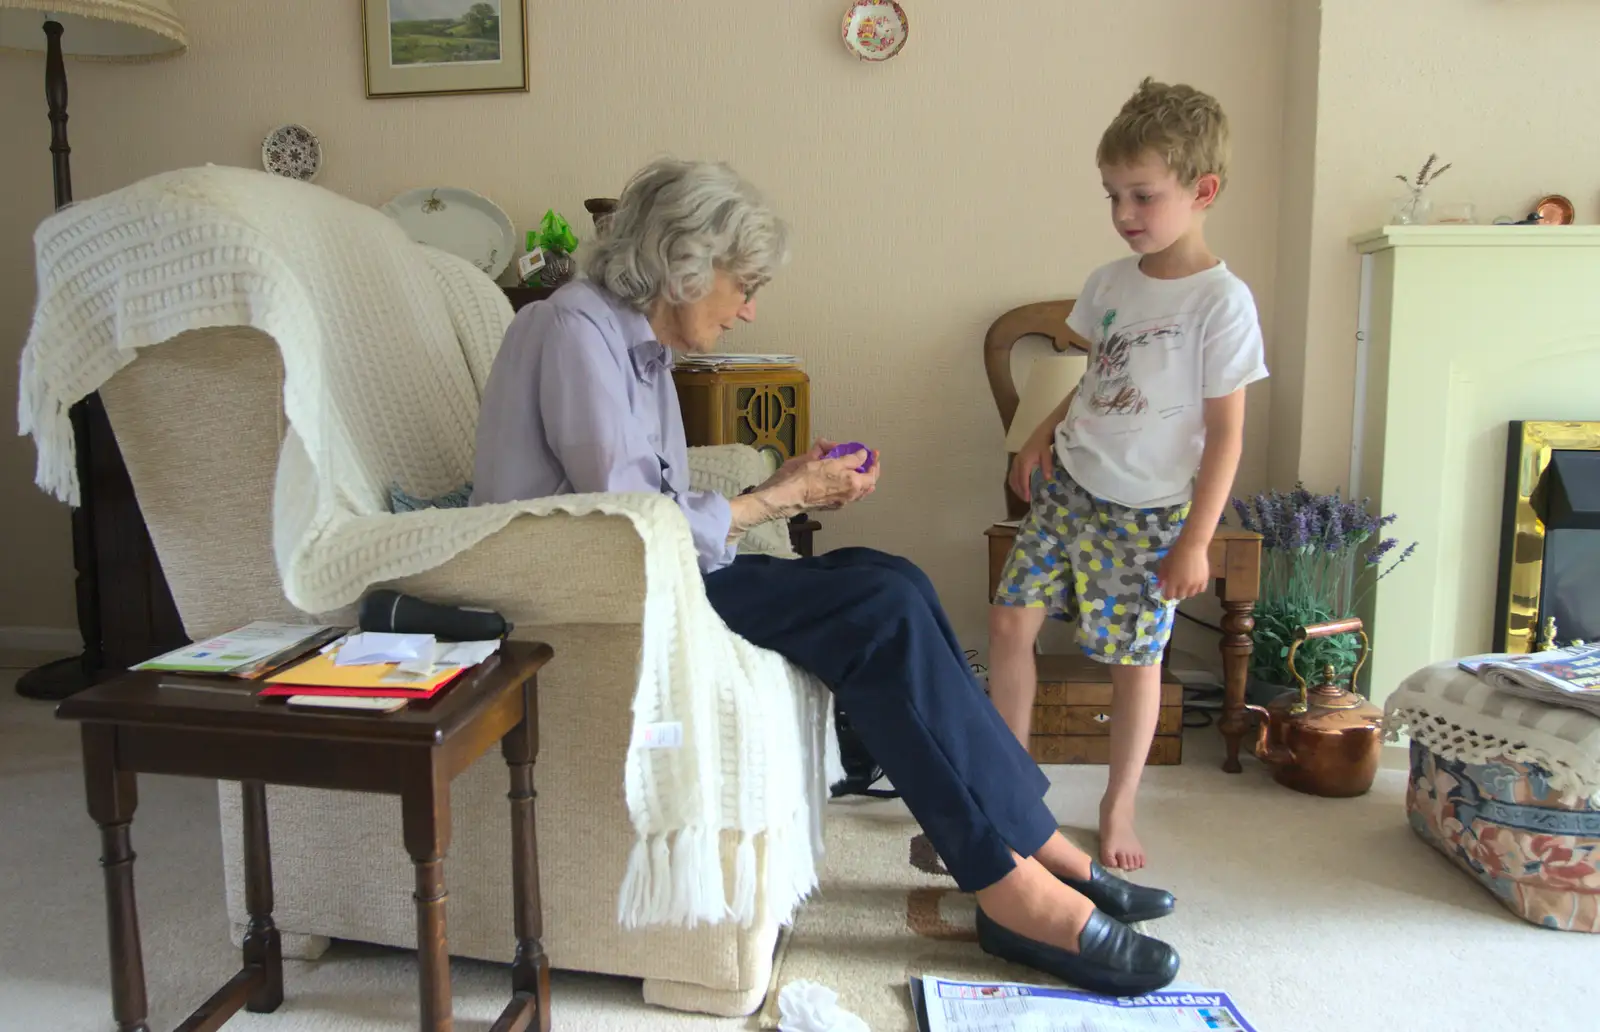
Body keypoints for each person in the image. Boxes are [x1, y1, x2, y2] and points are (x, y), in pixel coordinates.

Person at [472, 157, 1182, 995]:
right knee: (876, 611)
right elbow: (626, 522)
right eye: (745, 283)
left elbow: (652, 504)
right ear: (684, 261)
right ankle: (1010, 889)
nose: (750, 307)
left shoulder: (637, 350)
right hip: (595, 591)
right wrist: (773, 499)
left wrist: (777, 491)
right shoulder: (569, 330)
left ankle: (1039, 846)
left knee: (897, 578)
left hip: (649, 572)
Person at [989, 78, 1269, 872]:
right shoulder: (1111, 281)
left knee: (1132, 662)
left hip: (1147, 515)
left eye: (1142, 195)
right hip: (1069, 490)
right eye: (1113, 195)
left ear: (1202, 190)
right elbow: (1087, 374)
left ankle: (1119, 804)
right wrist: (1036, 435)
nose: (1123, 214)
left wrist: (1196, 542)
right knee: (1010, 623)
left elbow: (1226, 436)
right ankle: (1010, 784)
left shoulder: (1222, 303)